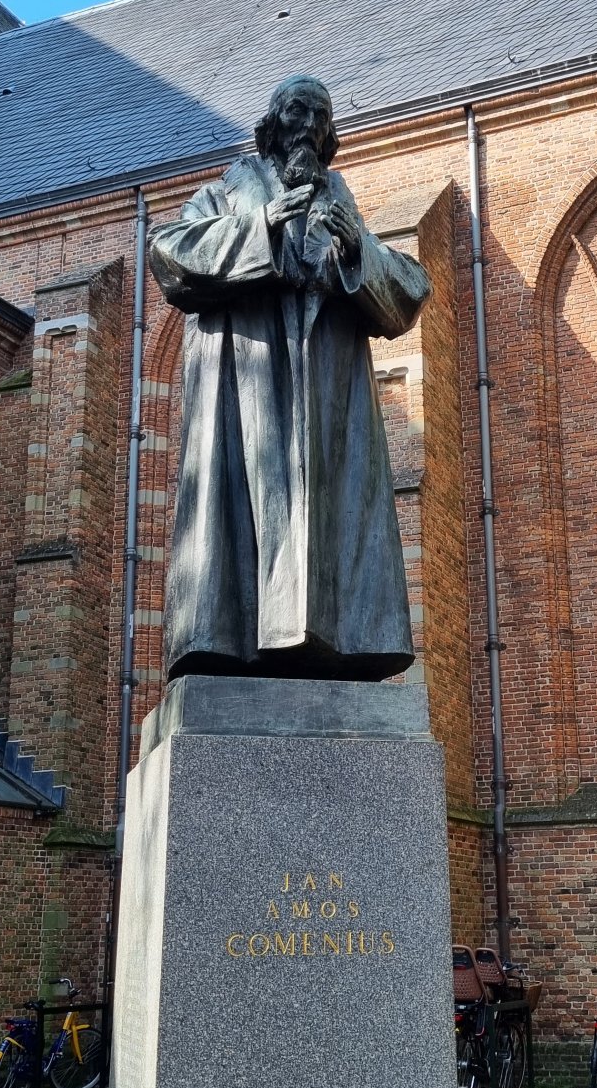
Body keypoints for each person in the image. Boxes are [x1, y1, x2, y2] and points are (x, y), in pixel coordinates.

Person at [148, 74, 431, 679]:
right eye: (297, 112)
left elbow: (410, 291)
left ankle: (339, 644)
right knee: (244, 530)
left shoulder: (341, 208)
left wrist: (359, 250)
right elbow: (168, 253)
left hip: (330, 408)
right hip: (248, 399)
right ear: (271, 126)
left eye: (320, 117)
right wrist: (263, 225)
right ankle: (234, 639)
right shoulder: (225, 195)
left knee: (332, 527)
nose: (308, 126)